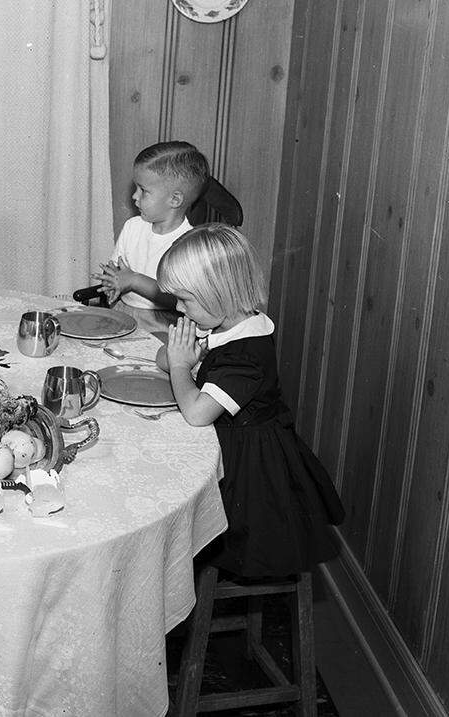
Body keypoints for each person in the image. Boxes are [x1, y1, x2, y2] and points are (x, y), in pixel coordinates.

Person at [155, 224, 345, 577]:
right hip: (231, 448)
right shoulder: (225, 324)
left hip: (252, 473)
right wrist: (181, 356)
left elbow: (197, 413)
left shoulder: (245, 353)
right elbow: (163, 360)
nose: (178, 308)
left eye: (185, 298)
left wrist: (182, 364)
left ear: (218, 293)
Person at [91, 140, 209, 310]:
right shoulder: (133, 227)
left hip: (163, 321)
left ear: (174, 200)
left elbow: (180, 301)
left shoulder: (189, 244)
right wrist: (112, 281)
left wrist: (134, 280)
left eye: (143, 191)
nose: (134, 196)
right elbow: (115, 269)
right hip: (124, 308)